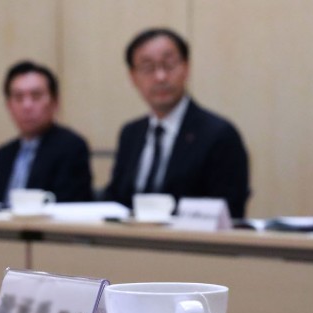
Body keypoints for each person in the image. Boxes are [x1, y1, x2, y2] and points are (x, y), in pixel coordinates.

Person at [102, 28, 250, 219]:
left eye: (169, 65)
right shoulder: (131, 133)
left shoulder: (218, 134)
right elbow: (115, 199)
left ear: (186, 68)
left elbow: (229, 210)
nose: (160, 77)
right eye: (148, 68)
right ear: (133, 77)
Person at [0, 61, 92, 205]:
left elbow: (68, 207)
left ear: (55, 102)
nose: (27, 106)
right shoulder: (4, 154)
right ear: (9, 105)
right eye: (18, 97)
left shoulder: (71, 147)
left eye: (36, 96)